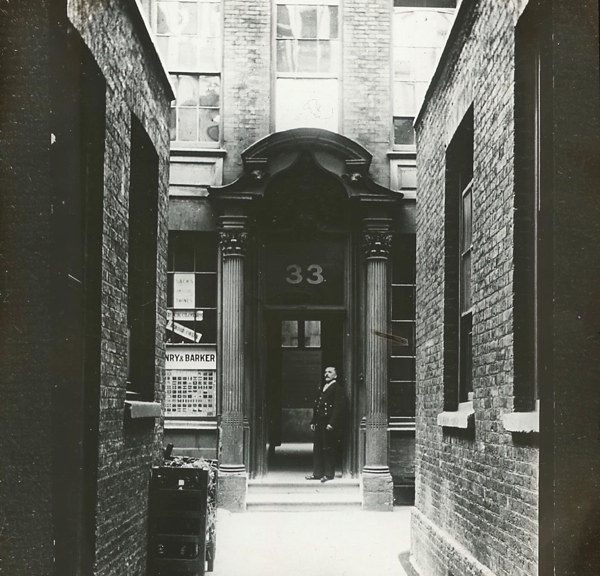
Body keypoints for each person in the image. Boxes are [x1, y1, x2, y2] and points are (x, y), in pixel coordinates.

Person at [305, 366, 346, 483]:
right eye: (325, 372)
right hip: (319, 422)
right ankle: (317, 473)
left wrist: (332, 423)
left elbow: (338, 407)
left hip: (328, 423)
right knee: (318, 448)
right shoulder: (323, 387)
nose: (326, 374)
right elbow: (317, 406)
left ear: (335, 375)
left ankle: (329, 474)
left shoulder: (337, 389)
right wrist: (313, 421)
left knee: (328, 448)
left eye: (330, 372)